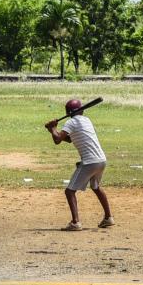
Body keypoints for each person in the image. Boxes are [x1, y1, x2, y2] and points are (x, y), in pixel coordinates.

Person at [48, 97, 112, 230]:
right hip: (101, 160)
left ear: (69, 112)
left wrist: (53, 128)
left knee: (69, 191)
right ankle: (108, 217)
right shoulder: (86, 120)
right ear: (81, 111)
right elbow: (70, 139)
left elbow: (57, 140)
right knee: (96, 187)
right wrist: (53, 130)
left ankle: (75, 222)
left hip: (89, 162)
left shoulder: (71, 122)